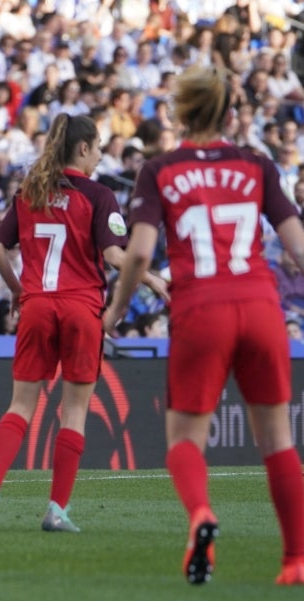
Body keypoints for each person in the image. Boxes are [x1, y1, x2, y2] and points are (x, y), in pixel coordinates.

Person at [103, 65, 304, 586]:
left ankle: (201, 515)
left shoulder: (160, 170)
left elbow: (141, 252)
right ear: (230, 114)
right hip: (260, 304)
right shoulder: (257, 165)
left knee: (185, 439)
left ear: (181, 114)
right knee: (278, 440)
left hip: (200, 309)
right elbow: (298, 247)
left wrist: (117, 310)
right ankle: (296, 560)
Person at [0, 113, 168, 533]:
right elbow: (114, 257)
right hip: (81, 309)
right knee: (74, 413)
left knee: (20, 406)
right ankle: (56, 509)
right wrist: (153, 278)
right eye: (100, 147)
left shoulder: (29, 191)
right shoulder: (100, 194)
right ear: (83, 148)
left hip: (36, 306)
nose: (101, 155)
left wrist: (17, 291)